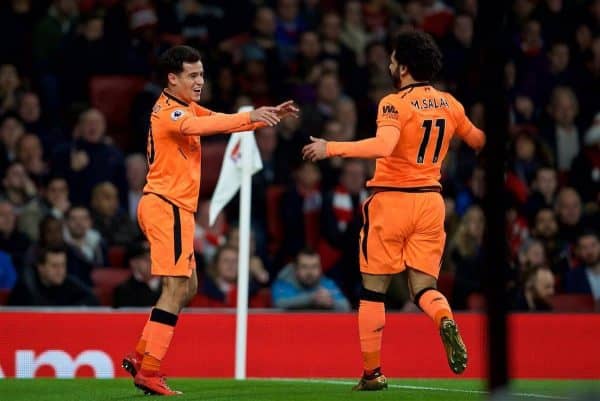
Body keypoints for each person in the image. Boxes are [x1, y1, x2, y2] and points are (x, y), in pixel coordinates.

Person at [302, 31, 485, 390]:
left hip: (392, 201)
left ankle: (372, 373)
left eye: (391, 59)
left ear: (403, 66)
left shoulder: (393, 103)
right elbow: (478, 140)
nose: (388, 64)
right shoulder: (450, 103)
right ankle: (444, 317)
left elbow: (385, 146)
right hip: (432, 203)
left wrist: (331, 148)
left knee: (373, 292)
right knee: (422, 288)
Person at [121, 45, 298, 396]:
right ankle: (150, 370)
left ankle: (141, 354)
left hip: (178, 209)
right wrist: (253, 117)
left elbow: (216, 117)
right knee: (174, 289)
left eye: (201, 74)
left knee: (188, 287)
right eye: (192, 75)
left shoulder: (184, 106)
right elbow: (208, 124)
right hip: (165, 205)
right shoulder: (168, 113)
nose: (200, 81)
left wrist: (260, 115)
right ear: (173, 79)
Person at [272, 248, 351, 311]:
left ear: (320, 268)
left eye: (314, 266)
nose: (309, 272)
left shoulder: (327, 283)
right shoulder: (284, 281)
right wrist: (312, 298)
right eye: (304, 266)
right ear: (296, 269)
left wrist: (331, 303)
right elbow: (280, 303)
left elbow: (346, 306)